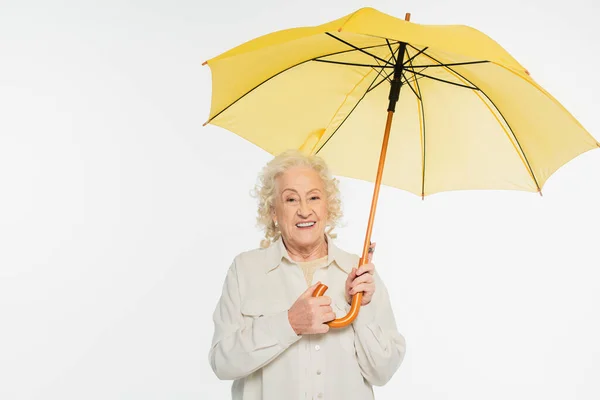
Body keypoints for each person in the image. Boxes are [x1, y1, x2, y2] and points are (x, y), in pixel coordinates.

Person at [208, 149, 406, 399]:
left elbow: (383, 372)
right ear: (273, 211)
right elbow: (222, 363)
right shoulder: (245, 270)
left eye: (313, 198)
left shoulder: (359, 274)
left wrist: (360, 308)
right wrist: (289, 323)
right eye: (291, 199)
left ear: (327, 206)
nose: (304, 210)